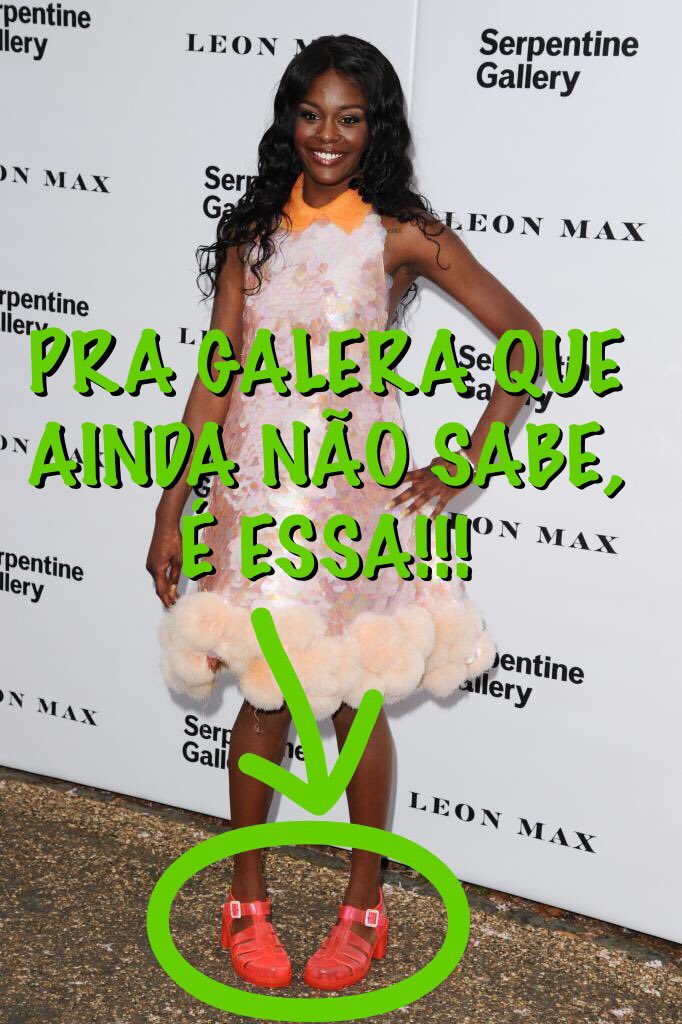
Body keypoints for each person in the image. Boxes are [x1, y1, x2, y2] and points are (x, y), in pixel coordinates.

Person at [146, 33, 542, 992]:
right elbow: (216, 377)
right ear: (290, 119)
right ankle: (245, 898)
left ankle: (364, 905)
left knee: (360, 695)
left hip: (355, 500)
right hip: (256, 491)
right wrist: (173, 500)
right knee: (262, 692)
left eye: (350, 118)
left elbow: (524, 339)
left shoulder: (400, 232)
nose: (328, 135)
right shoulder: (252, 232)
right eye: (312, 114)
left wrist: (470, 457)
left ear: (376, 127)